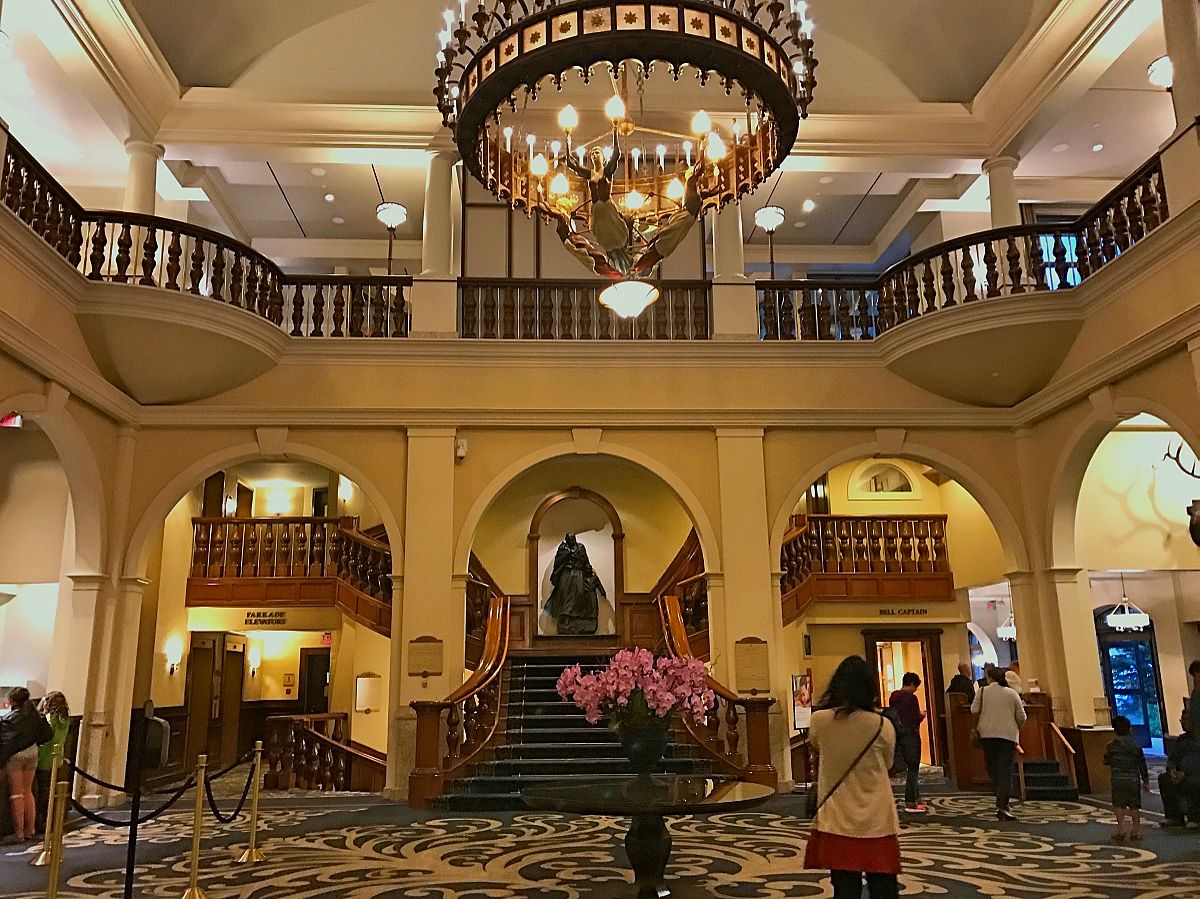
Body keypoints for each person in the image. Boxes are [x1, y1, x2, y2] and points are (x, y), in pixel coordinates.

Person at [804, 656, 900, 899]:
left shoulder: (819, 721)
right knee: (884, 888)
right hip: (877, 818)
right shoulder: (882, 725)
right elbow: (888, 764)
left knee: (845, 889)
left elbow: (817, 747)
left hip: (837, 817)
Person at [971, 665, 1027, 821]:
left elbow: (974, 710)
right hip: (1007, 736)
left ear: (990, 678)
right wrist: (1015, 728)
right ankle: (1002, 804)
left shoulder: (982, 691)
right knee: (1005, 770)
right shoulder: (1012, 694)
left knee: (993, 768)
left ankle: (1000, 799)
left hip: (987, 735)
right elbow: (1022, 716)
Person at [0, 687, 52, 844]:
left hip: (16, 756)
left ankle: (19, 833)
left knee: (16, 794)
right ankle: (30, 830)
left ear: (12, 701)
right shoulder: (34, 715)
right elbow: (47, 733)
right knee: (28, 791)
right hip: (33, 752)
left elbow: (6, 743)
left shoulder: (8, 718)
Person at [1103, 715, 1149, 841]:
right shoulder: (1136, 747)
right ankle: (1136, 830)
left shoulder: (1111, 746)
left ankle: (1120, 829)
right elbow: (1142, 764)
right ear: (1130, 729)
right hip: (1133, 779)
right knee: (1134, 806)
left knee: (1119, 805)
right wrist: (1145, 780)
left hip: (1118, 779)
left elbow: (1106, 761)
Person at [888, 672, 926, 813]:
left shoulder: (894, 697)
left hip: (898, 735)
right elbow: (913, 719)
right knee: (914, 768)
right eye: (915, 686)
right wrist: (921, 716)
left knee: (909, 768)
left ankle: (917, 797)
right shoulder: (911, 698)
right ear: (911, 684)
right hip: (911, 735)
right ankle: (911, 800)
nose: (915, 689)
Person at [34, 692, 70, 833]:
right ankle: (54, 819)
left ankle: (43, 821)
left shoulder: (50, 719)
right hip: (58, 758)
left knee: (43, 792)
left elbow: (45, 736)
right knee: (51, 790)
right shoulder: (65, 719)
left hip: (45, 758)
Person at [1159, 712, 1200, 827]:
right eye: (1181, 720)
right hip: (1180, 773)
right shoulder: (1182, 739)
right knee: (1164, 779)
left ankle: (1195, 818)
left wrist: (1186, 773)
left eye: (1185, 720)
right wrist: (1172, 770)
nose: (1182, 723)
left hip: (1194, 774)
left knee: (1193, 782)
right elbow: (1172, 758)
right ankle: (1174, 817)